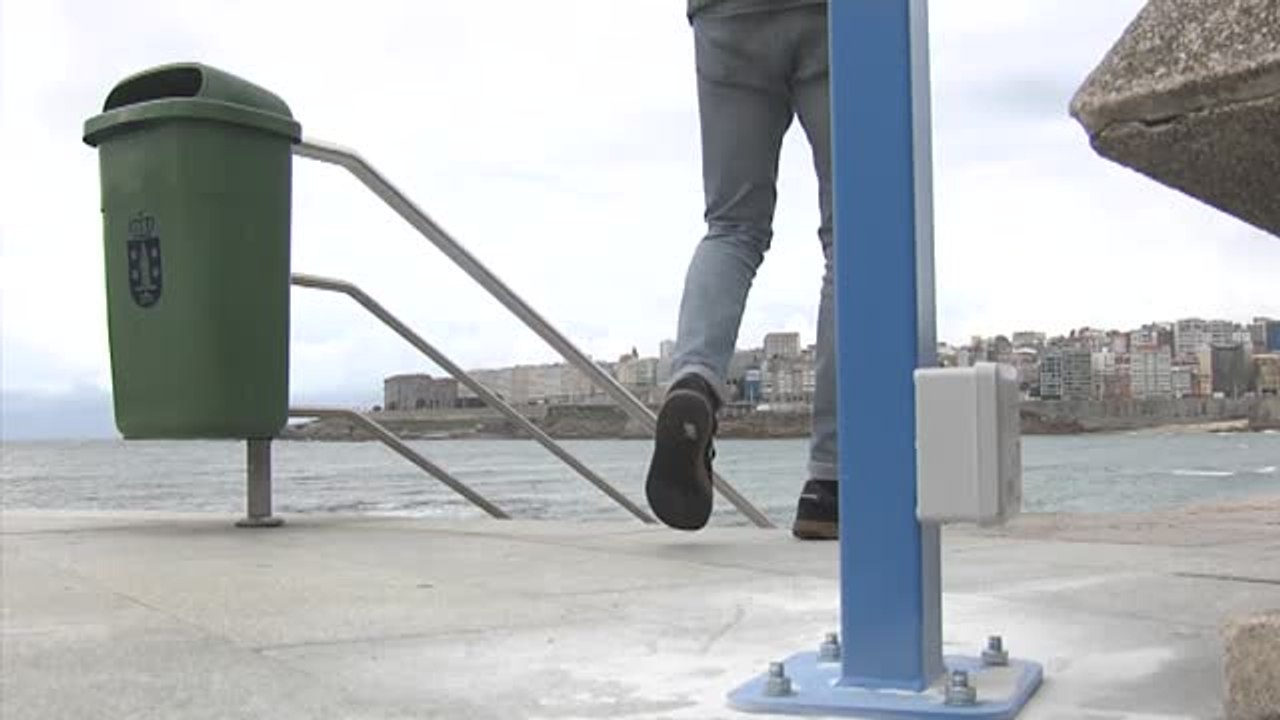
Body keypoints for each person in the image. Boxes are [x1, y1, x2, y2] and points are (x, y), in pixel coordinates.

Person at [645, 0, 836, 539]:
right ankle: (831, 482)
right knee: (851, 238)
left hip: (725, 13)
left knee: (732, 227)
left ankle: (695, 381)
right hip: (833, 15)